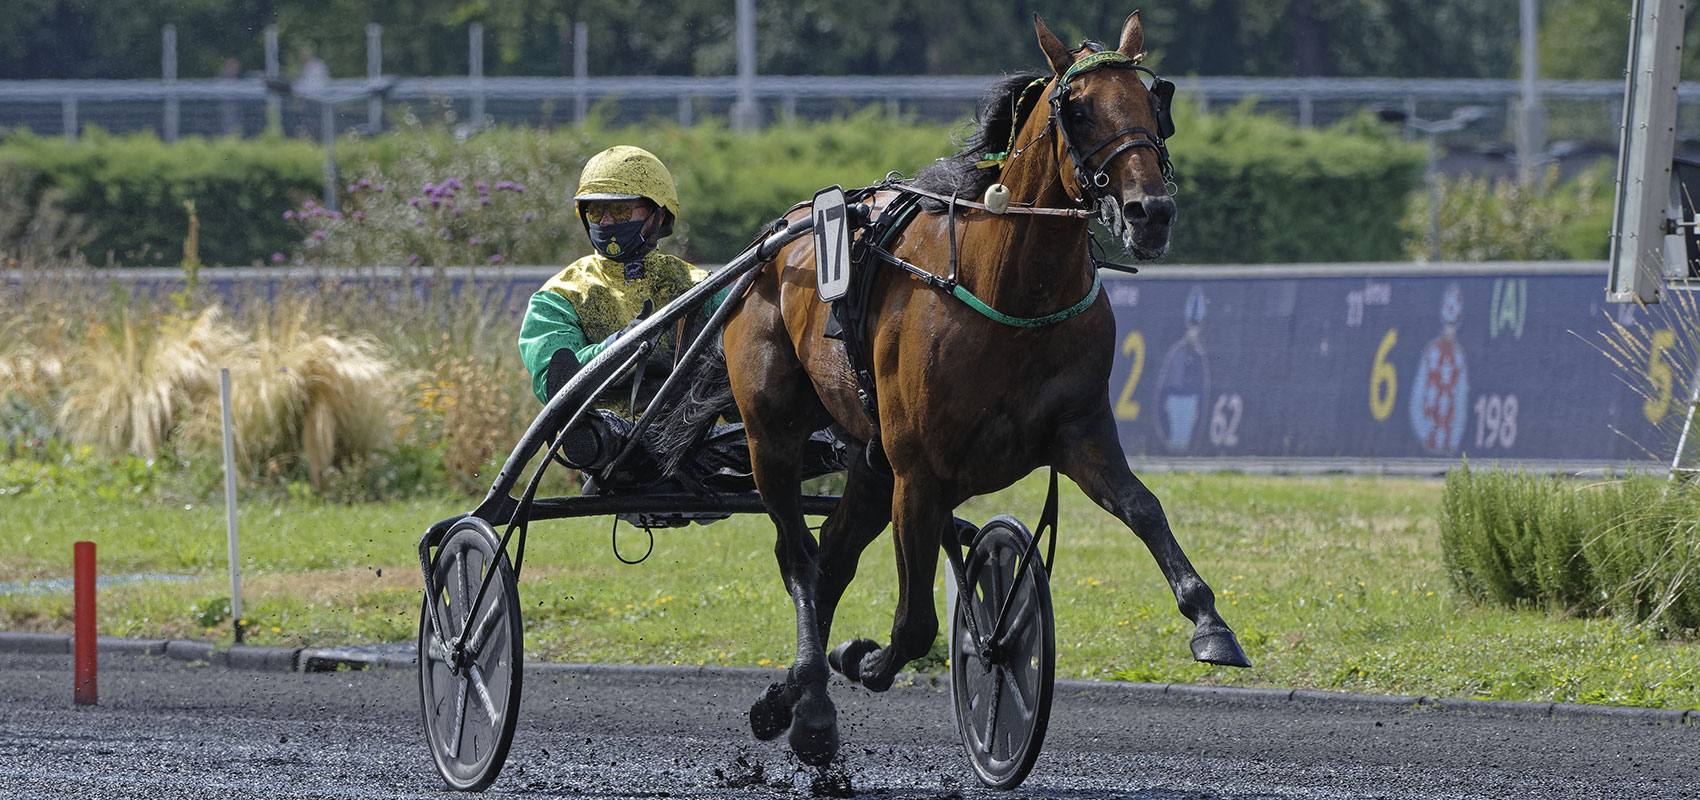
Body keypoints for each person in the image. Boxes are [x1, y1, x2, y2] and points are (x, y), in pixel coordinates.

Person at [518, 146, 745, 492]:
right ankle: (597, 442)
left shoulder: (703, 288)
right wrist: (616, 349)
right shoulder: (558, 297)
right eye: (596, 211)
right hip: (611, 441)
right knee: (605, 433)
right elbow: (552, 375)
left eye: (621, 210)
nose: (606, 222)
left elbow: (741, 372)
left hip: (696, 432)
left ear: (657, 214)